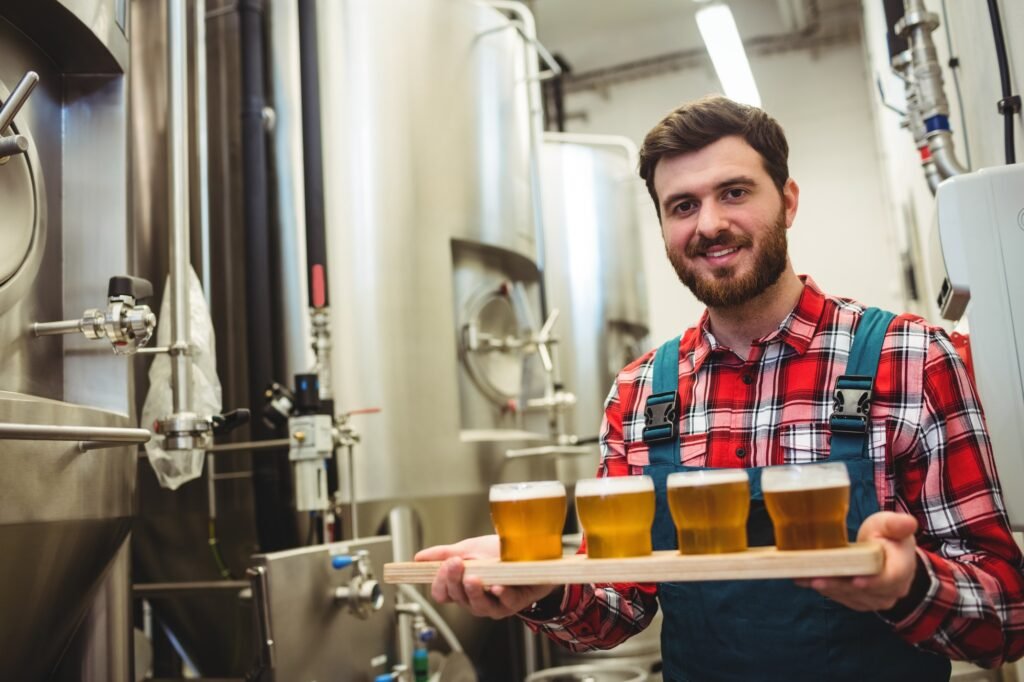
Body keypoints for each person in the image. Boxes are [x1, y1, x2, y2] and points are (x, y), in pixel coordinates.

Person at [416, 96, 1024, 681]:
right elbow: (617, 607)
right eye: (681, 206)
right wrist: (540, 585)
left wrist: (909, 584)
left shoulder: (911, 357)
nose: (709, 224)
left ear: (787, 201)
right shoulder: (640, 393)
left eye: (733, 193)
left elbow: (1006, 616)